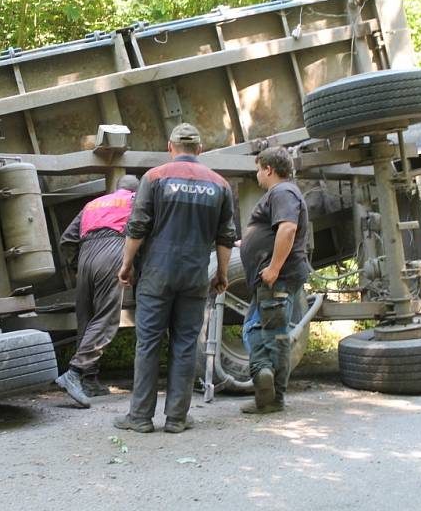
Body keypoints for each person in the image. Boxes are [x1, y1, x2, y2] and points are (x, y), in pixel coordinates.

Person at [114, 123, 237, 434]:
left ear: (170, 147)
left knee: (149, 344)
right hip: (194, 276)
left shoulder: (154, 178)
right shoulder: (220, 184)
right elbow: (225, 237)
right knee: (184, 345)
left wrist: (127, 264)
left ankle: (140, 417)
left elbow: (137, 226)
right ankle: (177, 418)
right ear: (200, 149)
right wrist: (221, 274)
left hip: (156, 274)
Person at [55, 175, 140, 408]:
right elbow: (142, 232)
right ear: (136, 190)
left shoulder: (92, 204)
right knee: (106, 318)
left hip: (85, 256)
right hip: (113, 251)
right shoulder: (136, 200)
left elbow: (66, 240)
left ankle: (89, 381)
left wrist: (76, 267)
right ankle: (74, 373)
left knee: (87, 318)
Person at [239, 146, 309, 414]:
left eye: (258, 169)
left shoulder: (282, 191)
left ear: (268, 169)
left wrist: (274, 268)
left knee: (274, 335)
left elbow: (288, 227)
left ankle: (271, 396)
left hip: (276, 279)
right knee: (257, 330)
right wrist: (249, 242)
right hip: (271, 280)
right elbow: (274, 230)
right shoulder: (283, 193)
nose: (257, 175)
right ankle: (265, 379)